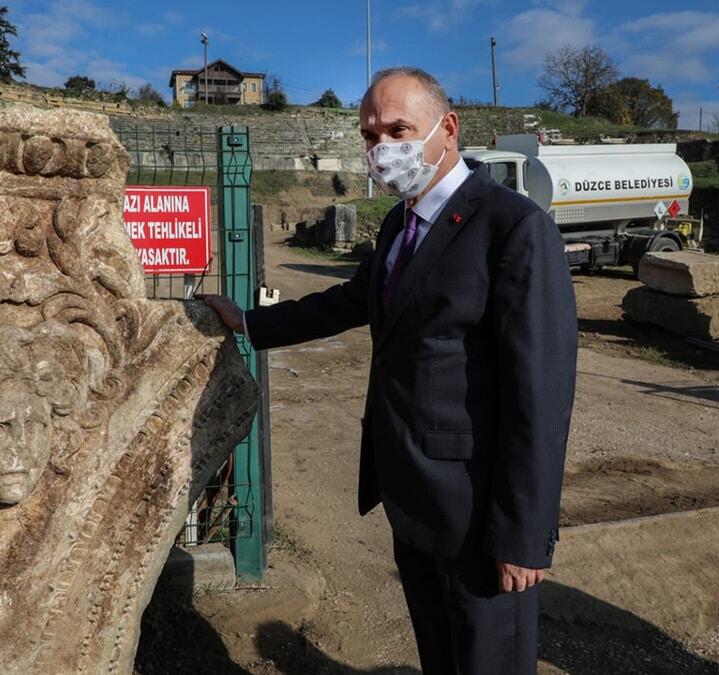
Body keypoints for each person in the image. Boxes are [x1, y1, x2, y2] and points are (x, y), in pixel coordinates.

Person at [201, 67, 577, 674]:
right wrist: (250, 323)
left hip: (479, 512)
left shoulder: (511, 227)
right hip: (412, 496)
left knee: (489, 662)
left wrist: (524, 535)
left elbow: (541, 391)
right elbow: (351, 302)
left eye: (398, 130)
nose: (383, 150)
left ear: (447, 129)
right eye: (370, 135)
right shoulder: (403, 224)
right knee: (440, 654)